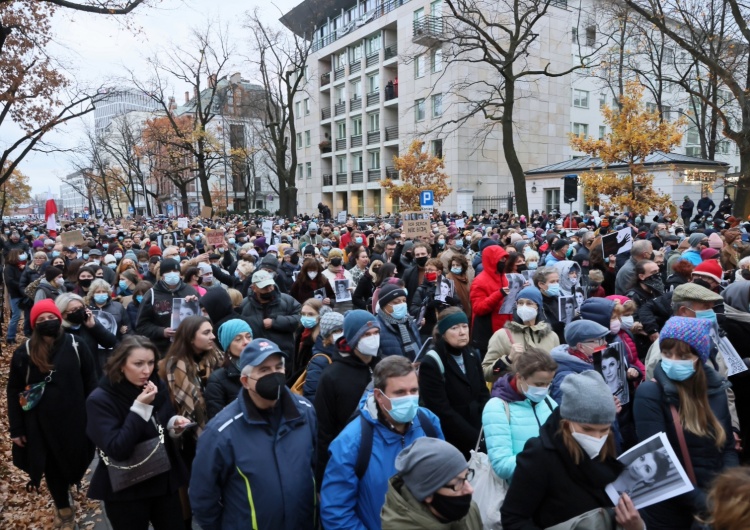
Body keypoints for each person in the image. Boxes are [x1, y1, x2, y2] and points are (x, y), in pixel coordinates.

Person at [189, 338, 318, 529]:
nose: (274, 375)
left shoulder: (305, 412)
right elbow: (203, 496)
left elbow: (315, 465)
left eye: (278, 368)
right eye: (264, 370)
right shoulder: (221, 432)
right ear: (245, 381)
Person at [501, 371, 645, 530]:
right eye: (587, 429)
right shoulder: (540, 455)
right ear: (567, 422)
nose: (597, 438)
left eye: (604, 430)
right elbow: (513, 518)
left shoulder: (608, 448)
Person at [633, 317, 738, 529]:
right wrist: (706, 503)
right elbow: (660, 466)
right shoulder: (650, 393)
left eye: (683, 356)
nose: (673, 360)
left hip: (714, 497)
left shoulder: (715, 390)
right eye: (667, 353)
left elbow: (727, 448)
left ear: (698, 357)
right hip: (672, 510)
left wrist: (728, 490)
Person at [320, 356, 444, 530]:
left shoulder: (428, 422)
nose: (409, 398)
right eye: (400, 392)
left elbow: (444, 481)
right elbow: (336, 513)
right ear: (379, 395)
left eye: (414, 390)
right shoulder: (351, 442)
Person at [6, 299, 97, 530]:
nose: (47, 322)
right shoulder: (24, 353)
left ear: (59, 318)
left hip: (76, 419)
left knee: (75, 460)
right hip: (40, 424)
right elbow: (13, 391)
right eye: (41, 319)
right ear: (34, 324)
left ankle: (69, 484)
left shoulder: (77, 345)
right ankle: (63, 508)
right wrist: (16, 429)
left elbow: (91, 383)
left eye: (51, 317)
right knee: (53, 466)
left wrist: (96, 417)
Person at [85, 336, 191, 530]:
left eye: (151, 363)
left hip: (163, 478)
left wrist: (174, 424)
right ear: (121, 365)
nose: (147, 370)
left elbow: (163, 418)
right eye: (138, 364)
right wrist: (140, 407)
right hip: (127, 487)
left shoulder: (154, 384)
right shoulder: (100, 399)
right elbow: (117, 448)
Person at [314, 310, 381, 486]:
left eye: (376, 333)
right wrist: (323, 478)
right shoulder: (332, 376)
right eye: (366, 334)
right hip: (348, 458)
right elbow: (323, 430)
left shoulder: (383, 366)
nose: (373, 338)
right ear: (352, 338)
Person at [418, 308, 489, 458]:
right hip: (452, 439)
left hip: (479, 430)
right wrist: (474, 437)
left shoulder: (471, 354)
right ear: (443, 333)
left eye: (464, 326)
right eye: (454, 328)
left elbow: (482, 392)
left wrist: (487, 426)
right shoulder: (432, 362)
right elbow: (441, 410)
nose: (462, 332)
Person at [483, 348, 558, 481]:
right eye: (539, 384)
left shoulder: (548, 401)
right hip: (520, 490)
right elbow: (502, 466)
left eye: (548, 384)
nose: (543, 390)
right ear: (520, 377)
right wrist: (546, 459)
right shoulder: (497, 407)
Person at [381, 438, 483, 529]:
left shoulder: (469, 510)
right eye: (458, 482)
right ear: (427, 493)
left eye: (466, 477)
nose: (470, 489)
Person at [483, 285, 559, 381]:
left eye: (529, 303)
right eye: (520, 303)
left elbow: (557, 370)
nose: (524, 307)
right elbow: (486, 373)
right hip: (512, 393)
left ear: (538, 307)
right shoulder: (502, 335)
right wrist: (508, 359)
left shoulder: (552, 337)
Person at [135, 259, 199, 355]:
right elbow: (141, 325)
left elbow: (202, 318)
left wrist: (195, 304)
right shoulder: (151, 295)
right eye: (168, 271)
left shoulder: (190, 290)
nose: (172, 274)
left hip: (189, 347)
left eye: (175, 271)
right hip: (163, 350)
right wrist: (161, 331)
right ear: (162, 275)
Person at [240, 270, 302, 355]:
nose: (269, 290)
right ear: (254, 288)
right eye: (265, 287)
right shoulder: (245, 305)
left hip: (283, 352)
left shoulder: (287, 300)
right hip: (257, 353)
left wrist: (275, 322)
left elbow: (300, 318)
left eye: (271, 286)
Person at [548, 319, 610, 404]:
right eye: (599, 340)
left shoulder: (592, 361)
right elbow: (566, 414)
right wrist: (607, 408)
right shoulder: (565, 379)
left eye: (604, 338)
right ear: (580, 346)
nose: (605, 343)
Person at [204, 319, 253, 419]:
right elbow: (217, 421)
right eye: (238, 339)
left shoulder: (264, 368)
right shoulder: (217, 379)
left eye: (249, 337)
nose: (246, 342)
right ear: (228, 347)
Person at [469, 245, 510, 353]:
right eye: (500, 259)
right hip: (488, 332)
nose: (504, 261)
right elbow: (478, 308)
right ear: (492, 260)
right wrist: (498, 294)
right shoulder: (479, 281)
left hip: (505, 329)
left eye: (505, 258)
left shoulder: (504, 277)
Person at [302, 310, 344, 400]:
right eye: (337, 331)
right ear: (327, 334)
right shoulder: (320, 360)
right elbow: (311, 393)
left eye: (343, 330)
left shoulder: (342, 352)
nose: (341, 334)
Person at [376, 283, 423, 359]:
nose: (402, 304)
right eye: (396, 302)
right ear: (384, 305)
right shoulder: (377, 327)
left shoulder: (409, 321)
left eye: (404, 301)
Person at [4, 248, 28, 345]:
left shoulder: (22, 266)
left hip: (25, 294)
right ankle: (10, 337)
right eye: (20, 254)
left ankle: (27, 334)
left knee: (27, 315)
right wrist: (22, 286)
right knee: (16, 316)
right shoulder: (9, 268)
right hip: (16, 295)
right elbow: (10, 282)